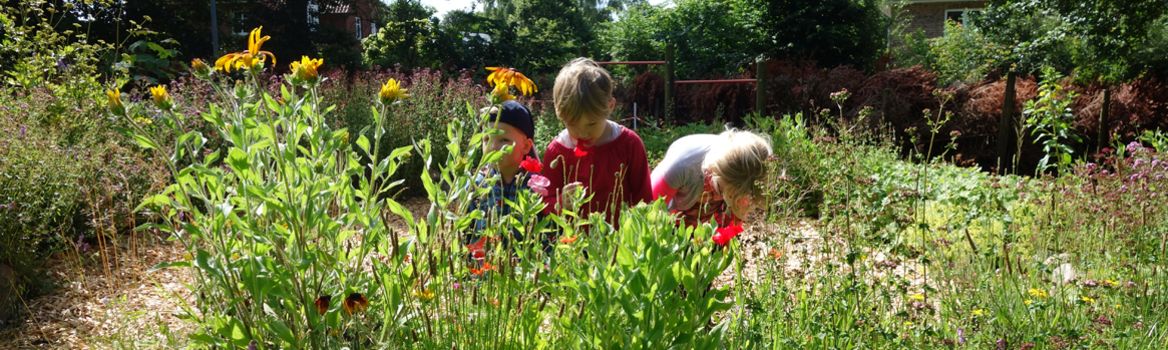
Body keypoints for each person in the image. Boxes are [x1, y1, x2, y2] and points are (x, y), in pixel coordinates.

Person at [541, 58, 653, 223]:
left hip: (620, 241)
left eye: (591, 124)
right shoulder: (558, 151)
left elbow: (643, 199)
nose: (582, 133)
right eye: (572, 124)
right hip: (573, 243)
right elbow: (544, 202)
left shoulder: (629, 143)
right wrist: (560, 203)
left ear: (610, 106)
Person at [650, 129, 773, 227]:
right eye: (719, 189)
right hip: (678, 204)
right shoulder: (681, 166)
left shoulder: (753, 176)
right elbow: (646, 210)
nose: (717, 197)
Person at [466, 100, 541, 259]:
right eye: (486, 139)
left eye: (503, 140)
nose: (492, 147)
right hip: (484, 272)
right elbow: (465, 233)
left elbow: (545, 237)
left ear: (526, 146)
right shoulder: (476, 185)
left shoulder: (536, 187)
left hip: (524, 273)